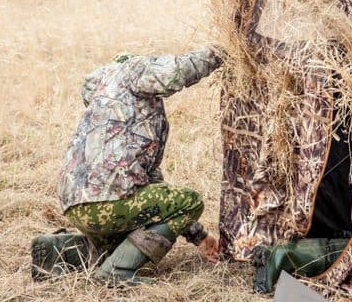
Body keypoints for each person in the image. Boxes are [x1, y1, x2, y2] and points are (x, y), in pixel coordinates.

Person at [31, 48, 222, 286]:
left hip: (76, 206)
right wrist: (221, 52)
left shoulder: (108, 105)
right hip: (107, 203)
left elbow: (154, 188)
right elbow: (177, 71)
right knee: (190, 201)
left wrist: (199, 236)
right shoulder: (131, 70)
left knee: (133, 231)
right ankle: (117, 272)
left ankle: (58, 252)